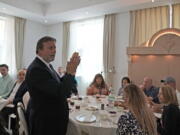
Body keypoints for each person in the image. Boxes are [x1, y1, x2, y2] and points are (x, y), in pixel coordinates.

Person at [26, 36, 80, 135]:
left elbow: (59, 84)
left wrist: (69, 72)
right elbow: (62, 92)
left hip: (52, 120)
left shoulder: (47, 65)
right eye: (50, 48)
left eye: (55, 48)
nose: (54, 51)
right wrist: (71, 72)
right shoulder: (36, 69)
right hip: (46, 123)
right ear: (39, 50)